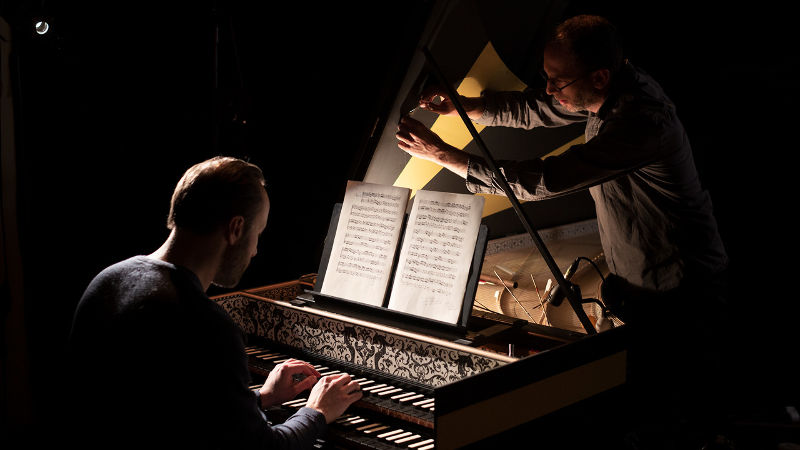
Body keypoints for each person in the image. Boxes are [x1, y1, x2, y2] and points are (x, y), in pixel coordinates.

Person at [397, 14, 731, 447]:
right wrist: (467, 106)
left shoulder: (643, 120)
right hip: (646, 288)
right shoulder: (601, 91)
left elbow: (546, 179)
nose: (550, 88)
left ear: (599, 76)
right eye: (547, 77)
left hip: (682, 296)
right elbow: (539, 107)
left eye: (558, 80)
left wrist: (446, 156)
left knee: (673, 424)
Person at [67, 156, 362, 449]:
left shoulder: (109, 279)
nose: (256, 251)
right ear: (235, 229)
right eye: (257, 234)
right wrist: (317, 411)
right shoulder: (204, 324)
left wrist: (261, 397)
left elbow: (167, 409)